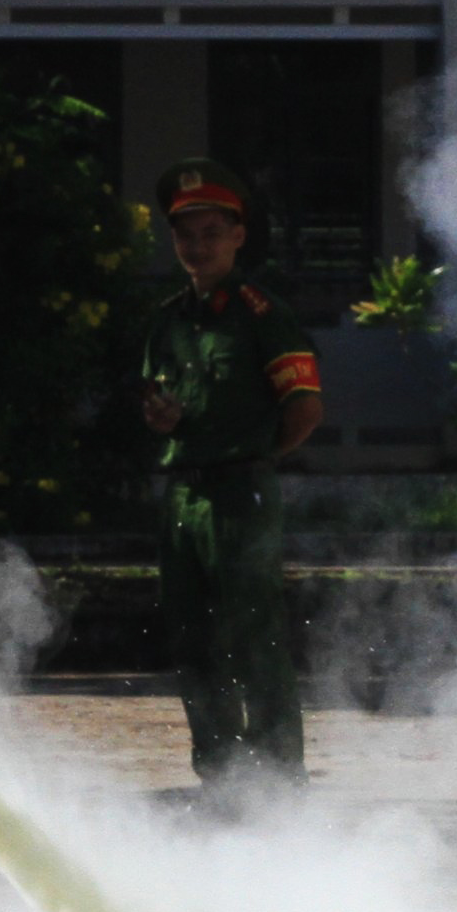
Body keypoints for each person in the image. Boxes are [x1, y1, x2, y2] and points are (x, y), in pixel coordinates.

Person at [137, 160, 322, 791]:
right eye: (186, 234)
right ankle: (220, 774)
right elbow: (162, 400)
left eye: (212, 232)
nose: (198, 245)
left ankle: (276, 778)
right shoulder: (169, 319)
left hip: (240, 491)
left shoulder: (260, 313)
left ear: (238, 236)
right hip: (184, 492)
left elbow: (305, 408)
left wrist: (255, 454)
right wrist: (163, 419)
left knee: (251, 632)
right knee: (191, 636)